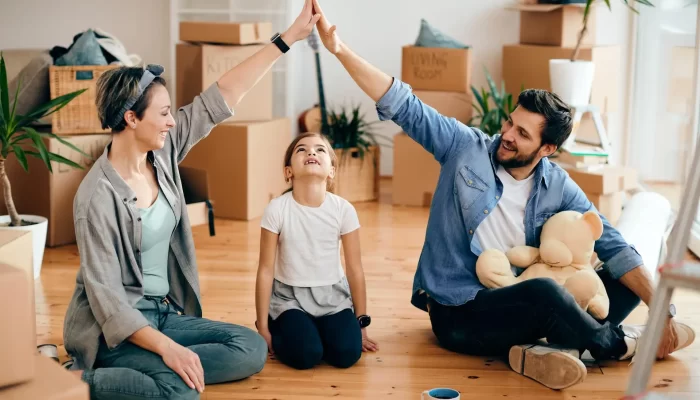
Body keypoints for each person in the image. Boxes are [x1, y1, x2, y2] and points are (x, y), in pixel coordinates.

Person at [310, 0, 696, 390]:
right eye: (511, 122)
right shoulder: (465, 148)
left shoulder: (557, 184)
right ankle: (620, 346)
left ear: (547, 150)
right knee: (545, 293)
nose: (508, 135)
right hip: (461, 314)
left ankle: (544, 352)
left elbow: (613, 244)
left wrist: (662, 309)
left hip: (518, 300)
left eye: (523, 134)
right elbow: (403, 104)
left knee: (618, 278)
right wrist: (338, 48)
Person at [61, 2, 321, 399]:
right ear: (131, 119)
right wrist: (169, 350)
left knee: (249, 349)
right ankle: (80, 380)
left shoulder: (160, 154)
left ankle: (157, 373)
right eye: (164, 113)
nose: (171, 120)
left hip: (165, 314)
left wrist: (289, 38)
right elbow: (110, 304)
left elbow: (221, 96)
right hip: (114, 331)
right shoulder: (95, 198)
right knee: (182, 393)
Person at [254, 132, 379, 371]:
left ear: (331, 170)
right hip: (289, 299)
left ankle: (316, 329)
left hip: (333, 298)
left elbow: (355, 269)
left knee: (347, 354)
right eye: (301, 149)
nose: (311, 152)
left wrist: (361, 323)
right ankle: (288, 325)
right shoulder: (277, 209)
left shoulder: (344, 210)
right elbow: (266, 269)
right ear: (288, 172)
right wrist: (263, 328)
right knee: (306, 355)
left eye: (320, 149)